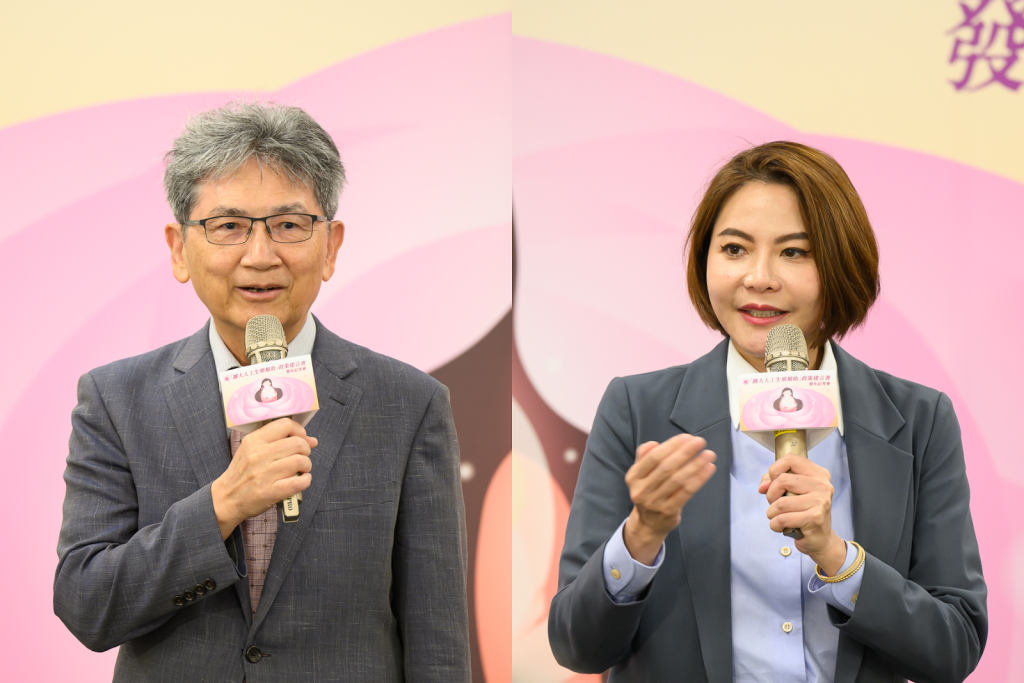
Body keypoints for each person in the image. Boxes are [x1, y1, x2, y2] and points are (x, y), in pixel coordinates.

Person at [54, 102, 471, 682]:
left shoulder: (408, 404)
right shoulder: (116, 399)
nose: (260, 255)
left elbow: (438, 643)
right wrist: (222, 505)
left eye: (289, 225)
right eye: (228, 226)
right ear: (179, 248)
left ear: (331, 246)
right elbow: (87, 605)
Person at [548, 141, 987, 682]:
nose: (759, 278)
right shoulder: (637, 410)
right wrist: (640, 535)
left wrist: (838, 557)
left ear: (842, 263)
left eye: (794, 252)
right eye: (734, 249)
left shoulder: (920, 420)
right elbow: (576, 646)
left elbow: (954, 647)